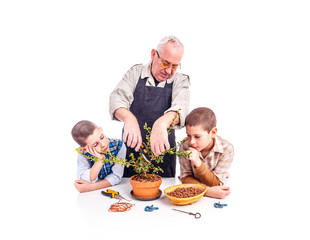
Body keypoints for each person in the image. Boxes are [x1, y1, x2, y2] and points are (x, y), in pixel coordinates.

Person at [109, 36, 190, 177]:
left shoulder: (180, 80)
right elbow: (117, 98)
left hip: (163, 153)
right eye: (165, 63)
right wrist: (129, 119)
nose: (169, 71)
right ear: (154, 55)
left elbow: (180, 107)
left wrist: (161, 124)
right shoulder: (135, 73)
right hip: (132, 152)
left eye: (175, 66)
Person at [179, 107, 234, 199]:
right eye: (188, 135)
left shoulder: (227, 149)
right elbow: (185, 177)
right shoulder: (184, 146)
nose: (191, 142)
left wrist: (198, 163)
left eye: (197, 136)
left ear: (213, 132)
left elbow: (217, 184)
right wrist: (207, 191)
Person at [71, 120, 126, 193]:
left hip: (116, 188)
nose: (103, 144)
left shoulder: (118, 146)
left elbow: (116, 176)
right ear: (85, 149)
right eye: (95, 144)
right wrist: (99, 160)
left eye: (102, 137)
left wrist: (91, 187)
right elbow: (83, 181)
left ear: (101, 130)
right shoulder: (83, 153)